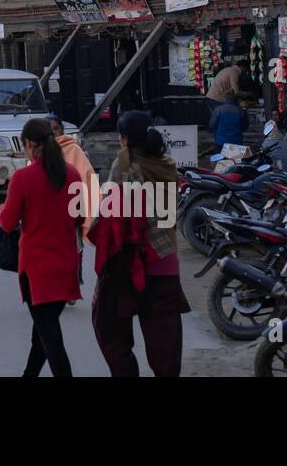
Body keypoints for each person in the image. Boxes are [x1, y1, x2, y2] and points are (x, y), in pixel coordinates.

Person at [89, 109, 190, 376]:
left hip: (129, 264)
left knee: (108, 330)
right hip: (165, 262)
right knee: (165, 343)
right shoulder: (167, 163)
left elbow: (108, 216)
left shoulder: (123, 166)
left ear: (123, 139)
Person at [0, 117, 83, 377]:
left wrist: (2, 208)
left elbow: (8, 222)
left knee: (51, 339)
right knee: (43, 334)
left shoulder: (23, 178)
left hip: (36, 271)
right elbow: (79, 217)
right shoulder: (72, 174)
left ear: (30, 144)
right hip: (66, 265)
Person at [45, 115, 97, 295]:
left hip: (71, 210)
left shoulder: (73, 150)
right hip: (47, 213)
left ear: (62, 130)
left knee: (74, 249)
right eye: (49, 130)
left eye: (56, 129)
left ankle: (71, 285)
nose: (53, 134)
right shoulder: (39, 152)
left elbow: (87, 177)